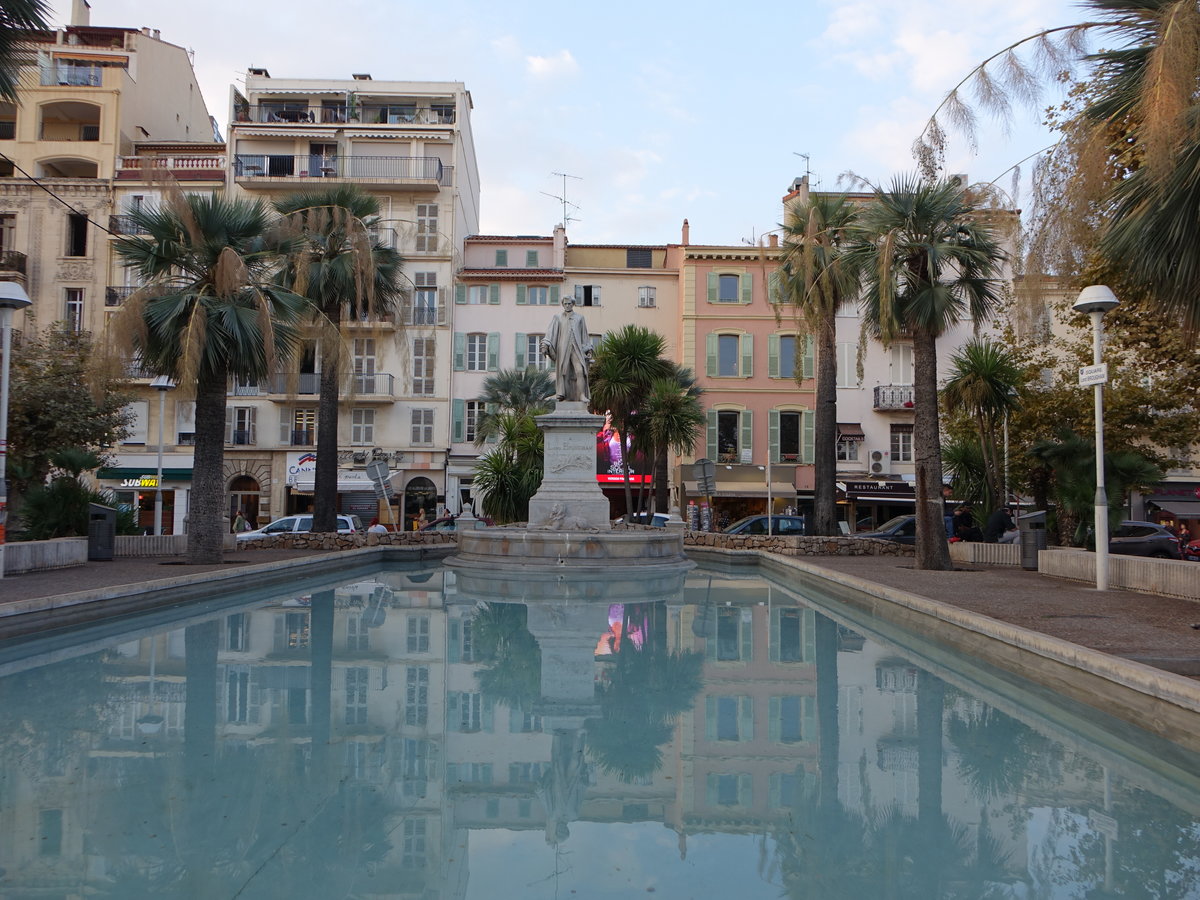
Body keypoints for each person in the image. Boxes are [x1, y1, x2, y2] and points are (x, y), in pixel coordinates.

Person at [540, 295, 594, 402]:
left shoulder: (580, 318)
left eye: (569, 303)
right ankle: (565, 396)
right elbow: (551, 333)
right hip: (563, 348)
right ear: (563, 305)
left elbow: (584, 335)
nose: (567, 305)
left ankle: (582, 395)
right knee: (565, 373)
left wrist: (588, 349)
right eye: (565, 304)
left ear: (573, 304)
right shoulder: (557, 317)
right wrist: (545, 345)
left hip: (576, 349)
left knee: (580, 371)